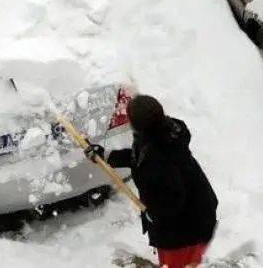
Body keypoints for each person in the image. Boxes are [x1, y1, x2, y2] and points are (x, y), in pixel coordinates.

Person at [84, 95, 218, 268]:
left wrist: (154, 212)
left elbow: (172, 199)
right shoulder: (162, 132)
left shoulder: (159, 159)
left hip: (186, 229)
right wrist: (106, 156)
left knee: (177, 265)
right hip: (195, 214)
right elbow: (139, 158)